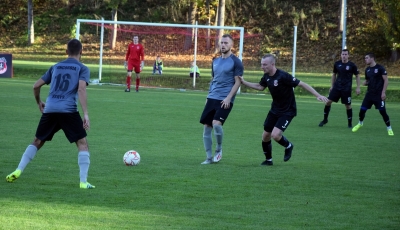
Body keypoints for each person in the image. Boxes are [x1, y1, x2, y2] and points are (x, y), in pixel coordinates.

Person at [5, 39, 95, 189]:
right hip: (68, 110)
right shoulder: (82, 68)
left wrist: (39, 102)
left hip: (50, 109)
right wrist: (85, 113)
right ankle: (83, 182)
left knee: (37, 141)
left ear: (66, 52)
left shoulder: (55, 67)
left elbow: (36, 85)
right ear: (82, 51)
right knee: (82, 144)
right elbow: (81, 89)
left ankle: (18, 170)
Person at [240, 54, 328, 166]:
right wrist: (244, 82)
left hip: (287, 111)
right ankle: (268, 160)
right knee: (265, 135)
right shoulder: (266, 76)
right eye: (261, 64)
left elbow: (302, 84)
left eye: (265, 64)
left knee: (275, 135)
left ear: (272, 64)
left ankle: (288, 146)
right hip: (274, 110)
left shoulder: (283, 76)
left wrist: (317, 95)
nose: (262, 67)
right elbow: (260, 87)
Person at [199, 34, 243, 164]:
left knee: (216, 124)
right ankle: (208, 158)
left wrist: (229, 98)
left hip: (225, 99)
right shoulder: (215, 61)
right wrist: (208, 96)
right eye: (221, 43)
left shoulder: (236, 62)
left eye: (226, 43)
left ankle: (218, 149)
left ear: (231, 45)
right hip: (212, 97)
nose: (223, 45)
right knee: (207, 127)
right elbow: (213, 80)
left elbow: (237, 82)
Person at [352, 53, 394, 136]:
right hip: (369, 94)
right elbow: (369, 80)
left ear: (372, 58)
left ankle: (389, 128)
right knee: (362, 110)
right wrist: (365, 83)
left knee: (383, 112)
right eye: (365, 58)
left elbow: (386, 80)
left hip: (378, 95)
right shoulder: (367, 70)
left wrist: (383, 92)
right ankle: (360, 123)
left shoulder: (380, 68)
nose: (365, 59)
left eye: (367, 58)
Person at [319, 49, 360, 128]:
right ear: (341, 55)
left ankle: (349, 123)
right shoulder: (337, 64)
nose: (344, 56)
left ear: (348, 55)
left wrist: (358, 87)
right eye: (343, 54)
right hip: (337, 87)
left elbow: (357, 76)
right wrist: (332, 86)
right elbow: (334, 74)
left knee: (348, 105)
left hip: (346, 88)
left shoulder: (352, 65)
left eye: (345, 54)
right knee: (328, 102)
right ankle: (325, 120)